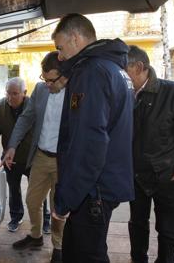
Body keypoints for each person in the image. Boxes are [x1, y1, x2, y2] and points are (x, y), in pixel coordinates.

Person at [51, 13, 135, 263]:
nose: (59, 55)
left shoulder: (91, 72)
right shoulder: (114, 70)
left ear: (75, 38)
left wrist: (65, 199)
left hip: (92, 190)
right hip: (101, 185)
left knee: (88, 255)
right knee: (78, 251)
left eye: (60, 47)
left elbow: (88, 143)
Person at [2, 51, 68, 263]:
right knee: (32, 200)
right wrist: (12, 146)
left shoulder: (77, 93)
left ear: (64, 75)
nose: (47, 84)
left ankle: (59, 247)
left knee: (58, 208)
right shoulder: (41, 90)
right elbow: (26, 118)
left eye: (51, 80)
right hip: (41, 156)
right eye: (44, 79)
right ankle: (36, 236)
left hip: (63, 161)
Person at [125, 45, 174, 263]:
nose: (121, 75)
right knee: (137, 225)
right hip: (136, 176)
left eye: (125, 70)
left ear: (140, 67)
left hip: (167, 176)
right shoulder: (126, 94)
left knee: (168, 230)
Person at [0, 77, 51, 233]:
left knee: (39, 192)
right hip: (11, 160)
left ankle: (46, 220)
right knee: (13, 189)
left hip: (33, 158)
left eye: (15, 93)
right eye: (8, 93)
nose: (10, 97)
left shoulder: (34, 106)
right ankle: (15, 217)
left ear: (24, 93)